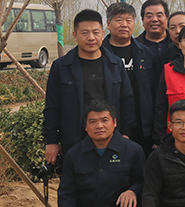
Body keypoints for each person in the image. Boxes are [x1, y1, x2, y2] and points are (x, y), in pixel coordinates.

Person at [43, 9, 135, 163]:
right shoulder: (61, 66)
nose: (91, 38)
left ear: (103, 34)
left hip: (111, 138)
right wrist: (51, 141)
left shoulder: (115, 64)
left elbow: (126, 101)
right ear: (75, 35)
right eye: (85, 33)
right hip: (74, 139)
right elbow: (52, 106)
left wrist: (126, 134)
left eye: (95, 32)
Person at [102, 2, 154, 154]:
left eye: (129, 20)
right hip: (109, 123)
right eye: (119, 20)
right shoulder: (100, 53)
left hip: (142, 124)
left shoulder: (144, 52)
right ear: (108, 24)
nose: (124, 24)